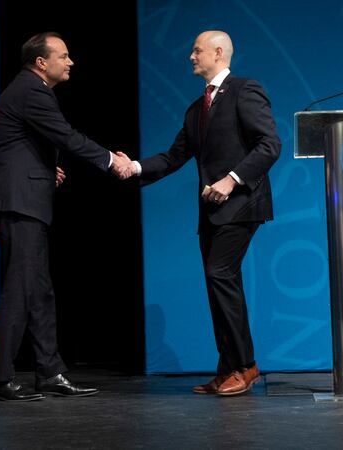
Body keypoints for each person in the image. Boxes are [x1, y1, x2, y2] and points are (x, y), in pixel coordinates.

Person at [120, 30, 281, 396]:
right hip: (211, 210)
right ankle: (228, 368)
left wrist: (231, 180)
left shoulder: (244, 90)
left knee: (219, 274)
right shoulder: (196, 109)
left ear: (219, 52)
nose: (191, 56)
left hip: (241, 203)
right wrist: (135, 167)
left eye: (197, 51)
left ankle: (246, 366)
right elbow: (174, 157)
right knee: (217, 284)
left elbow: (270, 144)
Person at [0, 32, 132, 401]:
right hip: (18, 203)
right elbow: (65, 135)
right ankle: (1, 380)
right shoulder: (32, 90)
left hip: (23, 199)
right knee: (20, 290)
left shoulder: (27, 90)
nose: (71, 62)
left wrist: (49, 170)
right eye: (64, 56)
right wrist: (111, 161)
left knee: (39, 291)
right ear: (41, 63)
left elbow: (20, 144)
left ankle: (49, 372)